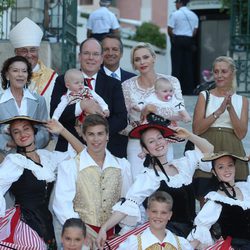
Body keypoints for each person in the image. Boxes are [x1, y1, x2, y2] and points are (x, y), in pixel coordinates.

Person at [96, 113, 213, 249]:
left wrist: (189, 136)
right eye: (151, 141)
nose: (158, 143)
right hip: (167, 236)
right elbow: (127, 205)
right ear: (146, 149)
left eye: (160, 138)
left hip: (192, 235)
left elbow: (209, 150)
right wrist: (104, 228)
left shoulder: (184, 165)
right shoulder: (149, 176)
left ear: (166, 140)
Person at [0, 116, 84, 249]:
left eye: (26, 129)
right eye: (16, 132)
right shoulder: (14, 161)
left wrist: (62, 130)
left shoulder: (47, 157)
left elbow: (83, 155)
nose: (22, 134)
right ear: (12, 137)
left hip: (47, 223)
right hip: (24, 223)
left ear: (34, 131)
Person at [53, 114, 133, 243]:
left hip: (112, 237)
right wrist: (81, 233)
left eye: (100, 134)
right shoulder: (70, 166)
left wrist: (123, 234)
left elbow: (127, 202)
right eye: (91, 134)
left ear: (107, 136)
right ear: (84, 136)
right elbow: (62, 205)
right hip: (81, 238)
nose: (96, 139)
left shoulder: (122, 166)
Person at [50, 38, 127, 158]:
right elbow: (55, 114)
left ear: (101, 59)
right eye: (86, 53)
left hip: (106, 149)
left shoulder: (113, 84)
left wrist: (96, 133)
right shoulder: (63, 80)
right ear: (79, 56)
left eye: (96, 54)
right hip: (69, 148)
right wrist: (81, 106)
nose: (91, 58)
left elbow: (121, 119)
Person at [121, 42, 185, 179]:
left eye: (145, 57)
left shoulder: (172, 81)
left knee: (165, 181)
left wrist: (153, 110)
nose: (142, 62)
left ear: (153, 58)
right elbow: (122, 119)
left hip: (163, 140)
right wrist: (134, 128)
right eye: (137, 59)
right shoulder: (127, 86)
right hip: (137, 143)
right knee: (137, 182)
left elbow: (179, 114)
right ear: (134, 64)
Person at [192, 56, 249, 207]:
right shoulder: (205, 96)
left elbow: (241, 134)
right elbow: (196, 129)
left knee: (234, 196)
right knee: (205, 194)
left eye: (224, 71)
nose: (219, 75)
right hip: (207, 149)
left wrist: (230, 109)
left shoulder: (242, 100)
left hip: (232, 148)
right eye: (216, 71)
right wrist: (219, 110)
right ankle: (208, 230)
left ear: (232, 73)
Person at [188, 152, 250, 249]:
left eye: (230, 165)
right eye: (221, 167)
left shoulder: (246, 188)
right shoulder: (215, 199)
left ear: (235, 167)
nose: (227, 170)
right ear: (214, 172)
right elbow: (201, 229)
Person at [0, 56, 49, 156]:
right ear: (7, 75)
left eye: (24, 71)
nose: (20, 75)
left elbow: (45, 130)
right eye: (15, 71)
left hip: (34, 155)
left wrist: (31, 144)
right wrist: (7, 143)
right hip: (5, 157)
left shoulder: (39, 100)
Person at [9, 17, 57, 111]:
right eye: (24, 50)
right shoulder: (5, 77)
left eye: (33, 50)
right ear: (16, 52)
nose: (29, 55)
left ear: (38, 51)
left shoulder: (53, 79)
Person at [118, 191, 193, 250]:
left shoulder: (181, 244)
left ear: (170, 215)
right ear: (147, 212)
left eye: (163, 213)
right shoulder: (133, 244)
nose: (158, 216)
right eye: (154, 211)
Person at [168, 0, 198, 95]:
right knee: (188, 66)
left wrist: (174, 38)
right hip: (189, 40)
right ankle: (188, 90)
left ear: (180, 3)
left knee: (176, 66)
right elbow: (194, 32)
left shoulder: (175, 14)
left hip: (178, 40)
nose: (176, 5)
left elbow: (170, 29)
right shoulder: (194, 15)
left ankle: (176, 90)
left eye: (176, 2)